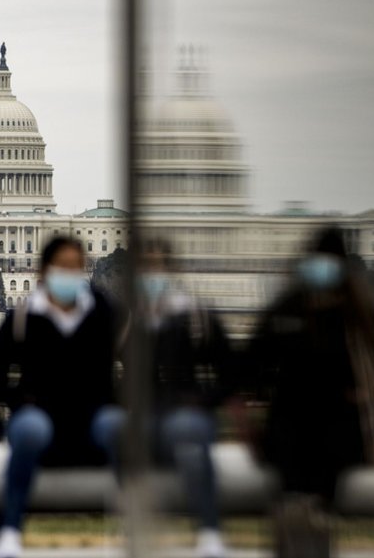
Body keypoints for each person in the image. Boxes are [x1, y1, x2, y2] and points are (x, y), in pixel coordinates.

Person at [246, 227, 374, 557]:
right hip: (296, 426)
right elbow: (254, 359)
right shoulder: (293, 309)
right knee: (298, 501)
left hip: (334, 427)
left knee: (309, 502)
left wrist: (366, 395)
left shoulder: (354, 316)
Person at [0, 236, 123, 558]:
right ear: (44, 270)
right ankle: (9, 530)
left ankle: (130, 524)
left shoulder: (104, 313)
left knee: (120, 427)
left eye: (76, 266)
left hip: (93, 417)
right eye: (63, 266)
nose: (70, 273)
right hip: (41, 415)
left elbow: (140, 367)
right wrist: (20, 402)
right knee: (30, 429)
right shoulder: (22, 316)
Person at [138, 239, 236, 558]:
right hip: (144, 415)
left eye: (159, 267)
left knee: (187, 432)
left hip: (181, 411)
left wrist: (202, 400)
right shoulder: (125, 317)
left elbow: (231, 373)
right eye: (148, 267)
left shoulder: (194, 316)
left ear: (171, 270)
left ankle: (208, 530)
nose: (154, 274)